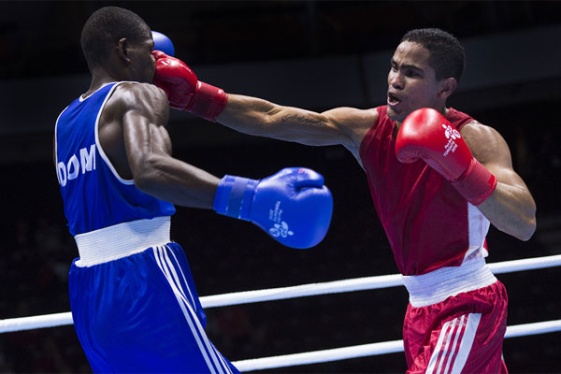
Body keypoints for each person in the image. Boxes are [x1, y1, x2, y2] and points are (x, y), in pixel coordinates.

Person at [151, 28, 537, 373]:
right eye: (394, 67)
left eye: (412, 73)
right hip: (418, 307)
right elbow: (273, 117)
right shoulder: (367, 128)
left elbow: (523, 222)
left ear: (446, 87)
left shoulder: (475, 138)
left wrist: (459, 165)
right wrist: (197, 98)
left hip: (466, 302)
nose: (395, 80)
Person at [53, 6, 333, 373]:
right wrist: (248, 198)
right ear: (124, 51)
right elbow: (150, 170)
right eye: (149, 51)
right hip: (143, 275)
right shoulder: (136, 94)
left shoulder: (65, 122)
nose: (157, 62)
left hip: (88, 292)